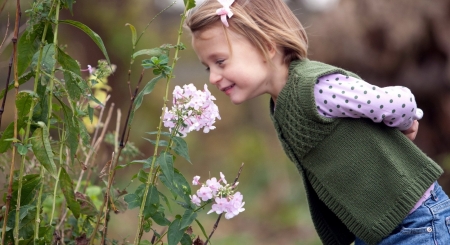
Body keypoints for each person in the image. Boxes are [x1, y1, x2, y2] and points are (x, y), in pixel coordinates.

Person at [184, 0, 450, 244]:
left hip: (416, 223)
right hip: (378, 228)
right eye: (209, 67)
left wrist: (406, 120)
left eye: (220, 61)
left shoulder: (315, 89)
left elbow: (395, 101)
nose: (213, 78)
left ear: (266, 44)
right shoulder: (282, 102)